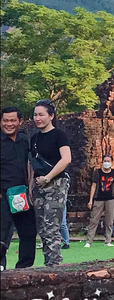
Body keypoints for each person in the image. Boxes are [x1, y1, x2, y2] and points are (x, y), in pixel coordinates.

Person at [30, 100, 71, 266]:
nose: (37, 118)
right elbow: (32, 164)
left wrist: (48, 177)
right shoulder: (34, 138)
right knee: (42, 228)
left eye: (41, 114)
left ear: (51, 116)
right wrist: (31, 186)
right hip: (38, 186)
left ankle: (54, 265)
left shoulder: (59, 135)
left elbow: (66, 159)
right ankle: (48, 263)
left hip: (56, 183)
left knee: (52, 226)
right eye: (35, 115)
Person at [1, 106, 36, 270]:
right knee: (2, 233)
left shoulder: (24, 141)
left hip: (20, 193)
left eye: (12, 120)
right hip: (2, 193)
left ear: (20, 122)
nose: (9, 124)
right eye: (5, 120)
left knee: (28, 231)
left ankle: (24, 268)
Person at [84, 153, 114, 247]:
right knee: (94, 220)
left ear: (111, 162)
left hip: (110, 198)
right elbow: (93, 186)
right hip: (98, 198)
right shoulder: (97, 172)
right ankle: (89, 241)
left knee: (109, 220)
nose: (106, 163)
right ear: (102, 162)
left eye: (108, 161)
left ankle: (108, 240)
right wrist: (91, 200)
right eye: (105, 161)